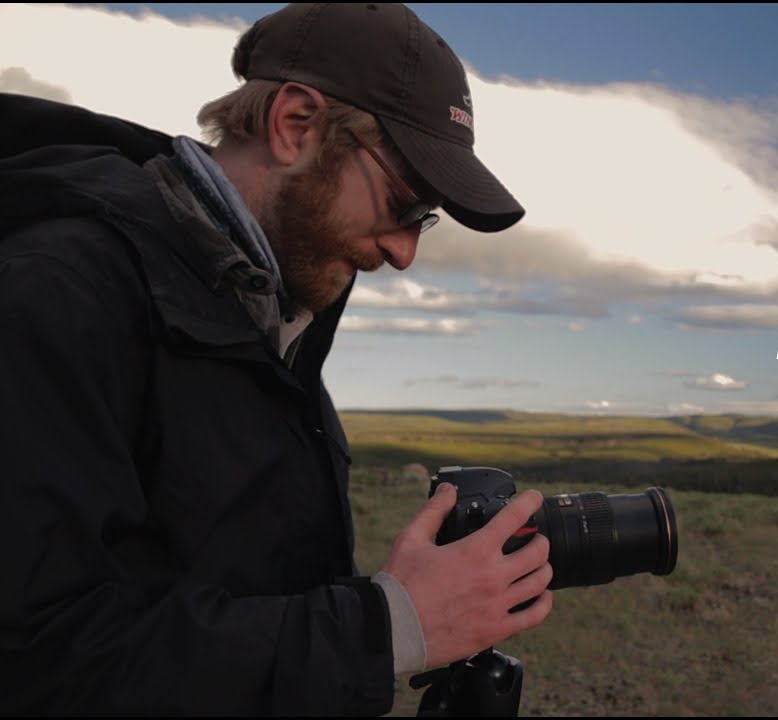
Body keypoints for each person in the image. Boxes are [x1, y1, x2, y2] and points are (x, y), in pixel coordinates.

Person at [0, 3, 553, 715]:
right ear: (295, 125)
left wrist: (392, 607)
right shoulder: (59, 292)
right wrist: (383, 629)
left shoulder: (275, 324)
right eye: (405, 201)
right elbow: (34, 656)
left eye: (425, 220)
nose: (405, 252)